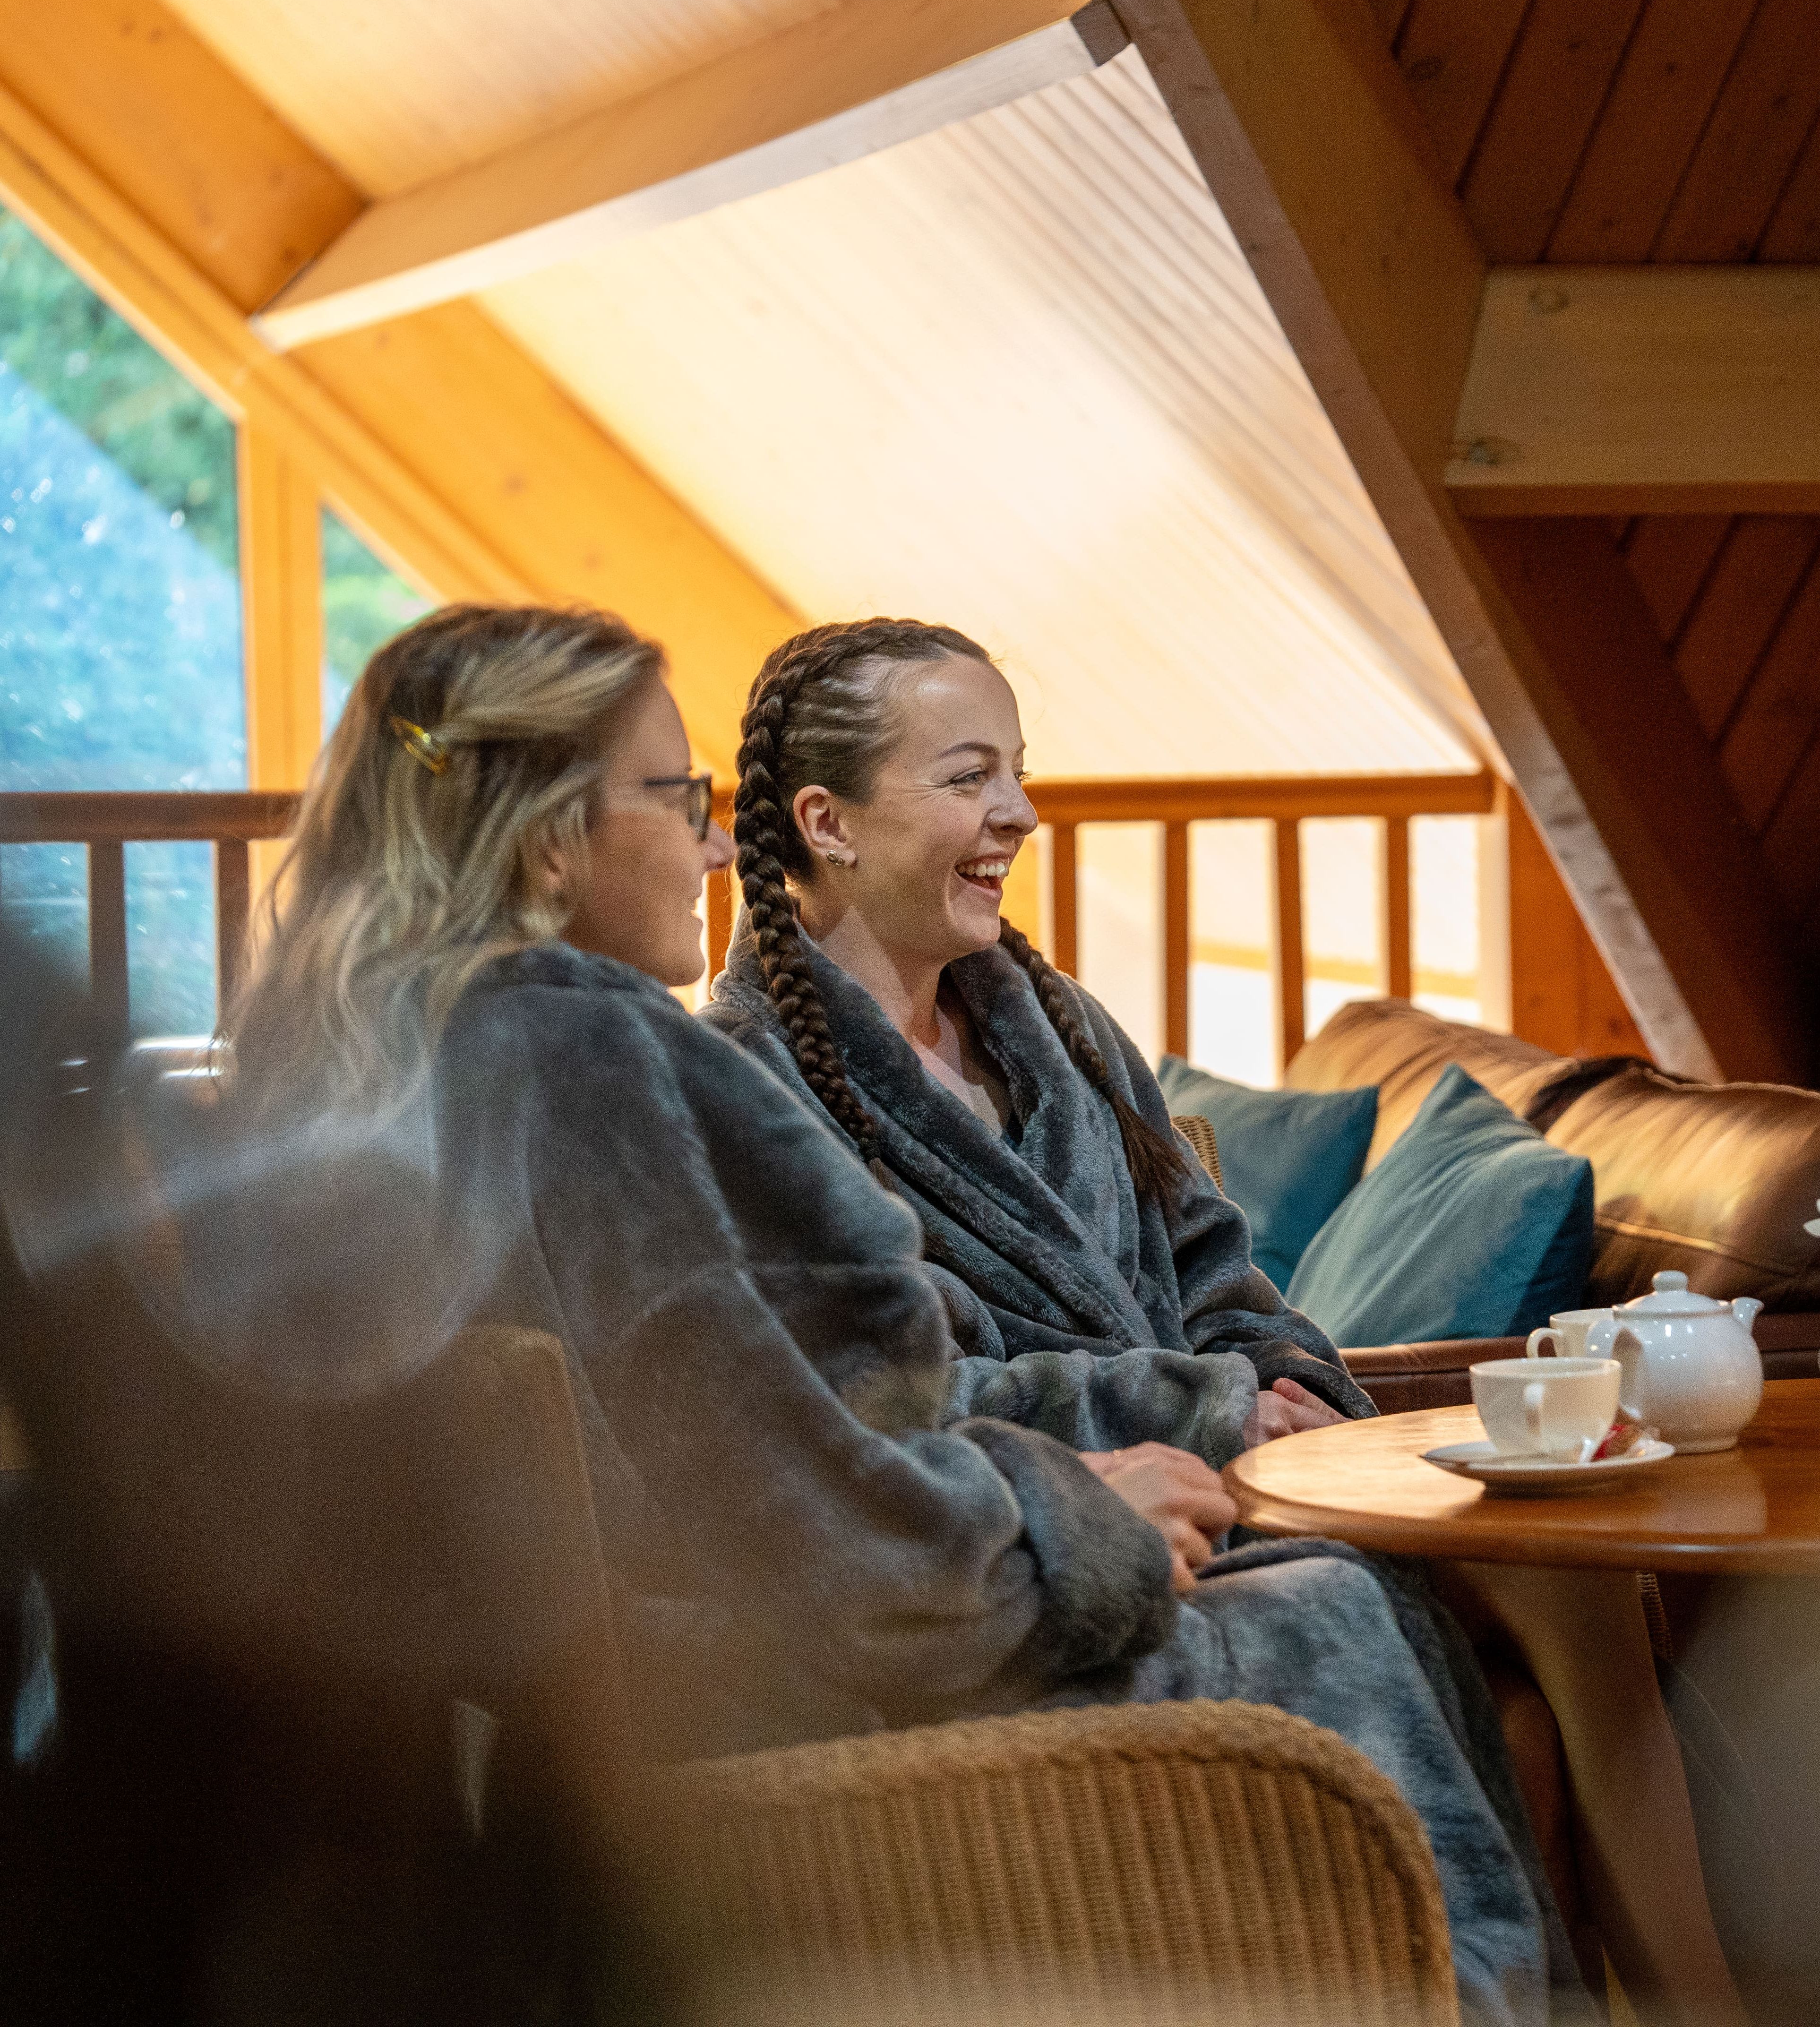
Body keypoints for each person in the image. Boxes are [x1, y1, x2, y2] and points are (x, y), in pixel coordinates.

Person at [220, 604, 1558, 2027]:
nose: (717, 846)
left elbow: (766, 1442)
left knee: (1365, 1589)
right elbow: (816, 1513)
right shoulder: (597, 1056)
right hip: (760, 1728)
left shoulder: (377, 1058)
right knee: (1343, 1607)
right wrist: (1083, 1519)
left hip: (603, 1716)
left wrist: (1126, 1456)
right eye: (680, 803)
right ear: (551, 834)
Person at [701, 618, 1362, 1465]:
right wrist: (1198, 1415)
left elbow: (1214, 1273)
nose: (1021, 814)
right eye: (970, 777)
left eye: (1018, 773)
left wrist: (1292, 1396)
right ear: (829, 824)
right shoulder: (738, 1087)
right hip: (1017, 1551)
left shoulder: (1067, 1031)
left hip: (1231, 1499)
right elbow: (873, 1398)